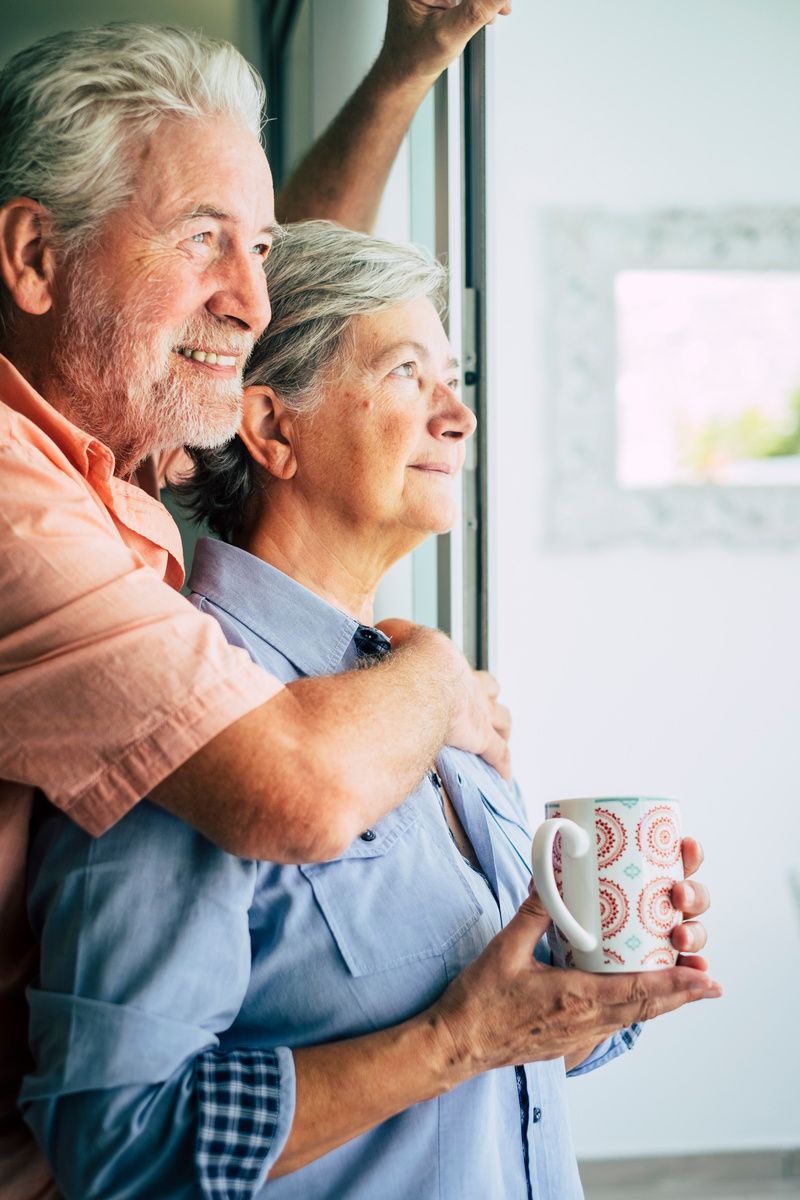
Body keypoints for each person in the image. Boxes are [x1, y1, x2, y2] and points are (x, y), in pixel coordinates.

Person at [20, 223, 718, 1200]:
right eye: (404, 372)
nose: (457, 415)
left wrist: (593, 984)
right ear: (270, 431)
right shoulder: (195, 710)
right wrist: (454, 1040)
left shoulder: (441, 705)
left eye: (451, 374)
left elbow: (499, 1061)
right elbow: (117, 1143)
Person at [0, 10, 514, 1198]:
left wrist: (403, 69)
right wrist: (432, 670)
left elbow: (259, 331)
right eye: (198, 236)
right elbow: (294, 793)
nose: (248, 297)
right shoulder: (24, 506)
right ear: (32, 259)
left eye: (263, 251)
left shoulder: (111, 442)